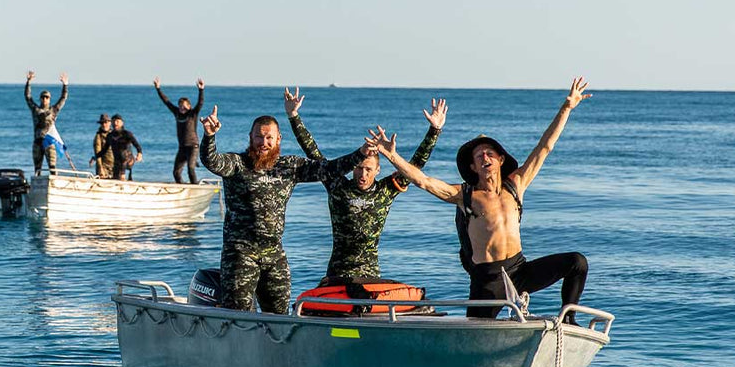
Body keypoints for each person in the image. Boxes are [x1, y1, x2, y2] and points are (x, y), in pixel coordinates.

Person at [368, 78, 593, 318]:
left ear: (500, 160)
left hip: (519, 270)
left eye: (490, 153)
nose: (485, 157)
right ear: (474, 167)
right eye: (479, 156)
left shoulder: (516, 185)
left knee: (577, 262)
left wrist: (566, 108)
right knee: (475, 331)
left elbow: (545, 147)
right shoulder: (464, 195)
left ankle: (568, 318)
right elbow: (423, 181)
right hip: (488, 279)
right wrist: (393, 156)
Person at [200, 104, 368, 314]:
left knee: (280, 317)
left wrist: (360, 154)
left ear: (278, 139)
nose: (264, 143)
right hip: (241, 254)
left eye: (269, 138)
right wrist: (209, 137)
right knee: (239, 316)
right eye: (259, 137)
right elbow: (212, 161)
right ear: (250, 138)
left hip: (274, 255)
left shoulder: (289, 167)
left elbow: (329, 169)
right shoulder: (237, 164)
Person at [284, 87, 446, 287]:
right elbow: (313, 153)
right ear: (353, 168)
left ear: (378, 170)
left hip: (369, 274)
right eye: (359, 168)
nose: (363, 174)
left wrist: (434, 130)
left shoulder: (385, 191)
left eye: (368, 169)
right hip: (337, 272)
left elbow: (415, 167)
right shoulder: (337, 184)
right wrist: (293, 115)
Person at [154, 76, 205, 183]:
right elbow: (166, 101)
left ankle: (194, 187)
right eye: (180, 105)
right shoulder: (176, 113)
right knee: (176, 172)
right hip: (182, 147)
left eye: (184, 106)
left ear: (189, 107)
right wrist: (158, 88)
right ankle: (182, 188)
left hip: (193, 146)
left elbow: (200, 104)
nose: (182, 107)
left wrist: (201, 90)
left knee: (190, 169)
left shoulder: (192, 114)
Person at [23, 70, 68, 176]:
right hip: (38, 142)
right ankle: (37, 188)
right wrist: (28, 82)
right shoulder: (35, 110)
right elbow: (28, 97)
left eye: (46, 97)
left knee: (52, 168)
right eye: (43, 97)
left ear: (49, 99)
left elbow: (63, 98)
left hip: (49, 142)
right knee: (37, 169)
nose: (44, 99)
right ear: (40, 98)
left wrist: (65, 85)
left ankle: (53, 185)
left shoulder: (54, 110)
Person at [96, 115, 143, 180]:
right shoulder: (110, 136)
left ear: (122, 123)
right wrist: (95, 157)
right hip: (117, 161)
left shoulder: (127, 134)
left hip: (128, 160)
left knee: (123, 156)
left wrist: (139, 153)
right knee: (115, 177)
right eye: (114, 121)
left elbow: (137, 145)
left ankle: (123, 175)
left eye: (117, 121)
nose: (115, 123)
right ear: (111, 123)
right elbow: (104, 150)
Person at [91, 114, 115, 178]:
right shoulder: (98, 136)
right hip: (104, 167)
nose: (104, 125)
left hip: (115, 166)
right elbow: (98, 152)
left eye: (106, 122)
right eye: (102, 123)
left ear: (110, 123)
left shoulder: (114, 134)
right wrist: (100, 168)